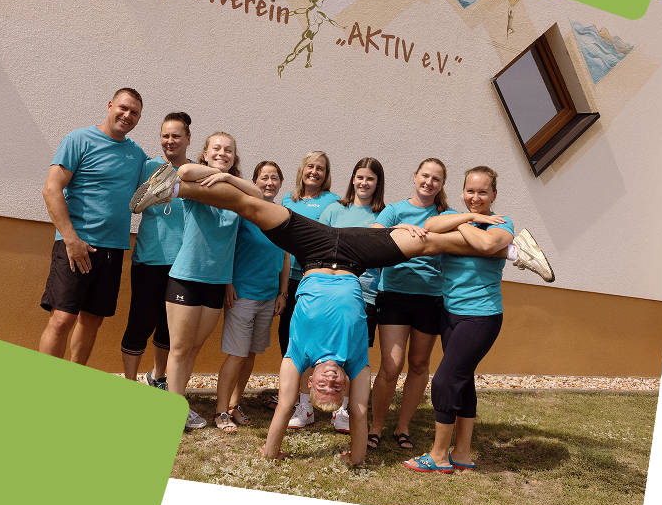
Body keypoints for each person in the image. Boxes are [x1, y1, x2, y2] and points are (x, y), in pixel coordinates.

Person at [128, 158, 554, 466]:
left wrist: (269, 450)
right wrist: (393, 231)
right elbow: (362, 413)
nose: (332, 382)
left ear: (313, 382)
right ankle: (516, 250)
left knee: (252, 209)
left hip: (313, 248)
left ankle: (173, 188)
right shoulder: (354, 366)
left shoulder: (300, 360)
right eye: (337, 390)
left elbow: (284, 407)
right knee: (426, 241)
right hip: (355, 253)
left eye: (325, 389)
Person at [403, 167, 520, 473]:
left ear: (494, 194)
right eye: (470, 191)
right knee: (463, 381)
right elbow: (431, 223)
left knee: (444, 380)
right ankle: (463, 454)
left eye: (483, 192)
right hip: (450, 313)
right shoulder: (462, 217)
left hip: (481, 316)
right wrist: (471, 218)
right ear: (462, 192)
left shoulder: (502, 222)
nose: (476, 198)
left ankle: (439, 455)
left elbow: (486, 245)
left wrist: (468, 221)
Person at [38, 89, 147, 364]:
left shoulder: (136, 154)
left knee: (92, 321)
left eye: (134, 112)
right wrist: (71, 240)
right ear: (110, 105)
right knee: (62, 319)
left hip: (113, 250)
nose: (127, 115)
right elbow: (52, 190)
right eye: (123, 108)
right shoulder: (79, 139)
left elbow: (156, 185)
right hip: (76, 244)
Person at [367, 158, 454, 452]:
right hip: (394, 295)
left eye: (436, 179)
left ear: (442, 185)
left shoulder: (446, 214)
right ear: (414, 176)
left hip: (431, 298)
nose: (429, 182)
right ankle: (376, 426)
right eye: (425, 176)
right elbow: (373, 235)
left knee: (419, 365)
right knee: (391, 366)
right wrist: (402, 227)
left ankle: (402, 427)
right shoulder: (394, 210)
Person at [164, 132, 243, 430]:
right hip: (186, 277)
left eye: (229, 150)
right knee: (180, 349)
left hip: (216, 282)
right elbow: (183, 170)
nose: (223, 153)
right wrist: (217, 173)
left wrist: (229, 178)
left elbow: (258, 196)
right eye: (217, 149)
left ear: (235, 157)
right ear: (206, 153)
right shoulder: (195, 184)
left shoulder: (236, 192)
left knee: (193, 349)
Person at [214, 161, 290, 432]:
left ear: (281, 182)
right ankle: (221, 411)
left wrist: (283, 292)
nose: (269, 183)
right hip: (242, 294)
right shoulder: (244, 212)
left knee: (250, 355)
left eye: (274, 178)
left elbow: (285, 255)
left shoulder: (282, 214)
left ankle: (235, 405)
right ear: (255, 182)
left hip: (269, 297)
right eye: (264, 178)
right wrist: (227, 283)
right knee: (236, 354)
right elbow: (227, 247)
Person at [119, 112, 193, 390]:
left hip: (184, 264)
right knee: (140, 322)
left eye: (176, 135)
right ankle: (129, 384)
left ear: (188, 138)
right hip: (149, 259)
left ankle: (158, 378)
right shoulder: (147, 166)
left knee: (169, 327)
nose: (170, 141)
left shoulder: (196, 172)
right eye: (165, 135)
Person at [319, 157, 387, 434]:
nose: (364, 183)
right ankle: (312, 402)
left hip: (365, 297)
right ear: (352, 179)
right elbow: (320, 248)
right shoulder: (335, 210)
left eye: (370, 178)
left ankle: (345, 409)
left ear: (378, 183)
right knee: (324, 353)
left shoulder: (383, 215)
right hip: (330, 295)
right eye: (360, 177)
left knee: (354, 357)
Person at [280, 151, 340, 427]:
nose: (314, 172)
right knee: (288, 341)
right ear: (301, 170)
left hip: (315, 283)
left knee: (312, 343)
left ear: (326, 175)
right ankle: (297, 401)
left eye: (320, 168)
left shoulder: (333, 202)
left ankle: (310, 404)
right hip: (287, 280)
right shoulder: (287, 200)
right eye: (310, 167)